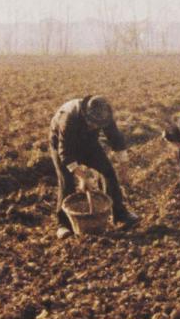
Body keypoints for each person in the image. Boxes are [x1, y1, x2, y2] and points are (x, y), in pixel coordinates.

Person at [49, 95, 137, 238]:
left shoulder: (105, 115)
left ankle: (120, 214)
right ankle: (63, 224)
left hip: (88, 143)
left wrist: (124, 168)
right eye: (92, 124)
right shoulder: (69, 118)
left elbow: (116, 139)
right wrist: (83, 178)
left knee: (108, 172)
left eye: (98, 125)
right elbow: (65, 153)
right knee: (67, 182)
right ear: (85, 115)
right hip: (61, 146)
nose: (95, 127)